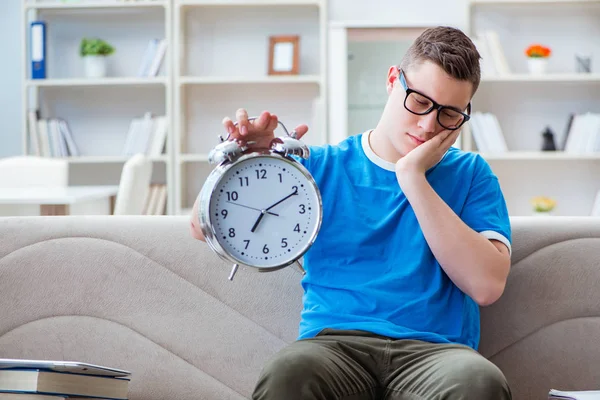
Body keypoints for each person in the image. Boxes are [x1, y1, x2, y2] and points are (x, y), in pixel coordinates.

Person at [190, 26, 512, 400]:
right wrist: (239, 157)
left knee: (480, 382)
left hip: (438, 354)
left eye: (449, 115)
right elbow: (200, 226)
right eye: (420, 102)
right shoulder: (320, 167)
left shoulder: (471, 174)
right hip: (333, 346)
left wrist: (413, 177)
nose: (428, 125)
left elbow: (486, 286)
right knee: (287, 373)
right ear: (393, 80)